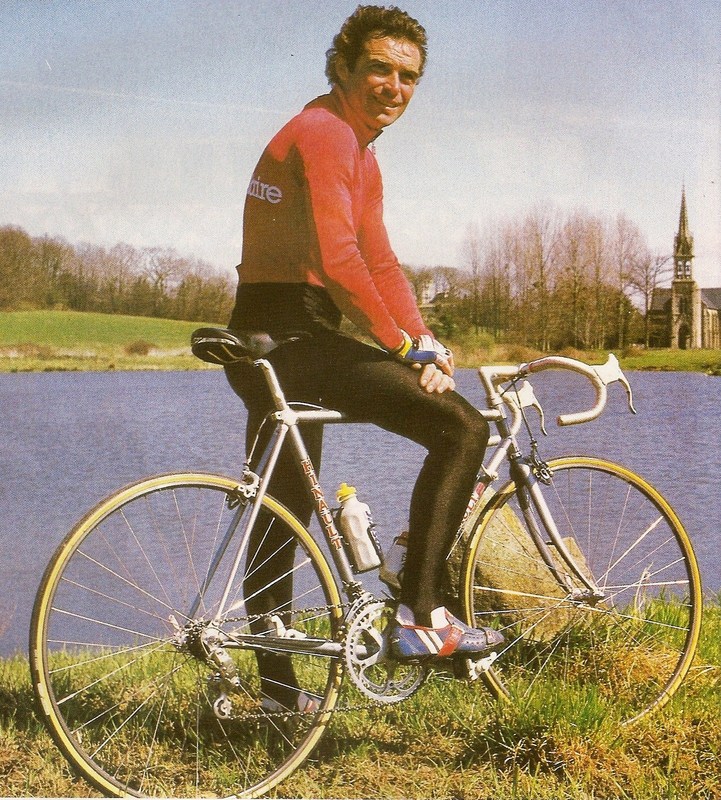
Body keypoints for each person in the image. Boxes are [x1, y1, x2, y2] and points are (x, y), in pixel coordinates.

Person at [225, 4, 502, 710]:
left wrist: (424, 341)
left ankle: (276, 695)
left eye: (407, 75)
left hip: (270, 331)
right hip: (291, 334)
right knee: (463, 429)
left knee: (283, 506)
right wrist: (403, 347)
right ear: (343, 66)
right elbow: (338, 260)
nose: (393, 85)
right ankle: (421, 613)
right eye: (378, 68)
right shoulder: (324, 134)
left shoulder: (356, 149)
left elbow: (378, 259)